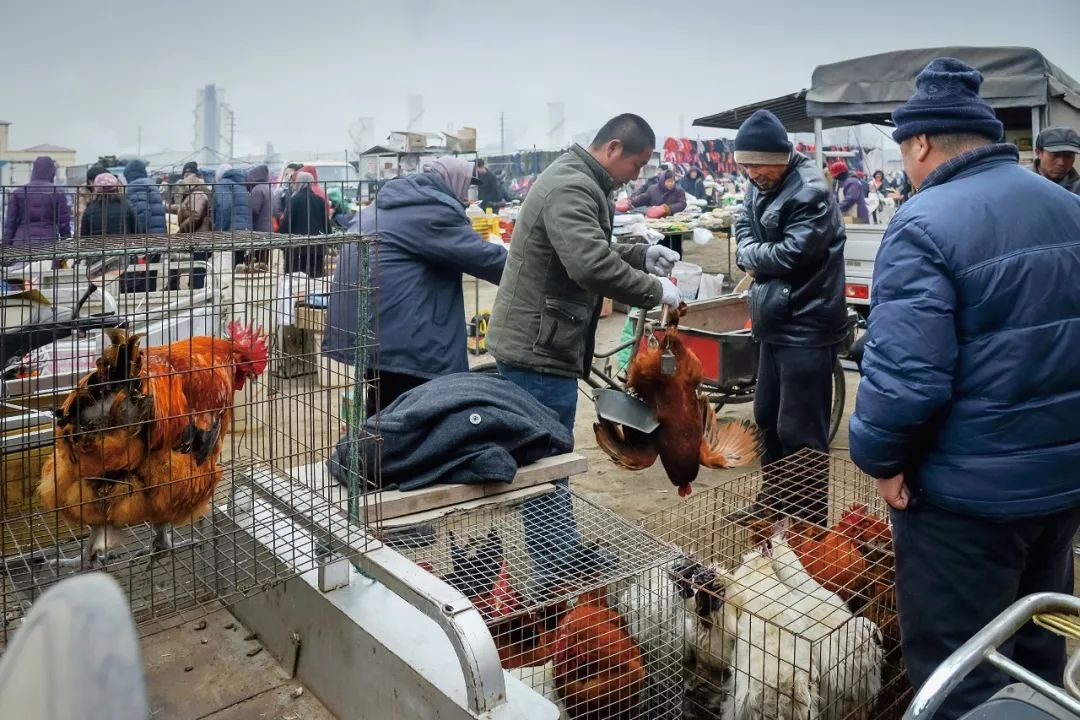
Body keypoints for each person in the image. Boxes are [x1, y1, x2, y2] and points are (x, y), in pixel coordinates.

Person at [848, 58, 1080, 719]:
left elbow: (907, 384)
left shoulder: (923, 223)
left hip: (965, 503)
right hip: (1059, 486)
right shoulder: (1068, 208)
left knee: (963, 674)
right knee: (1034, 654)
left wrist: (883, 461)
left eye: (903, 148)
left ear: (920, 142)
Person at [487, 114, 681, 596]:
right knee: (547, 461)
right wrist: (655, 289)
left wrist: (638, 256)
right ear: (613, 148)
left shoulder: (579, 180)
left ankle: (560, 557)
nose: (636, 177)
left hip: (544, 340)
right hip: (538, 348)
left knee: (547, 459)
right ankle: (555, 577)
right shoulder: (573, 185)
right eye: (635, 165)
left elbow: (592, 245)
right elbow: (589, 263)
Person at [324, 156, 507, 419]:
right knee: (412, 421)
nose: (468, 198)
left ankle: (377, 456)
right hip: (400, 339)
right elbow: (485, 259)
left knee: (384, 414)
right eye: (466, 188)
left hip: (370, 331)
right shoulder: (431, 210)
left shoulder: (396, 201)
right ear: (451, 182)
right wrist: (530, 270)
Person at [732, 109, 847, 525]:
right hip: (773, 322)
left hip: (807, 324)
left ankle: (808, 524)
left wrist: (751, 257)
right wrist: (752, 254)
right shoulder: (758, 183)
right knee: (766, 419)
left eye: (756, 165)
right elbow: (741, 222)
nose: (750, 174)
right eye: (744, 165)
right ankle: (774, 503)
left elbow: (793, 254)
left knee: (801, 432)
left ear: (780, 157)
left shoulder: (810, 190)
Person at [2, 156, 72, 248]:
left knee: (20, 262)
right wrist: (67, 244)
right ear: (52, 171)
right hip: (48, 243)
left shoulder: (18, 192)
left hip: (21, 242)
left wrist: (5, 245)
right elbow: (64, 224)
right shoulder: (57, 192)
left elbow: (10, 224)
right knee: (46, 262)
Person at [281, 171, 330, 276]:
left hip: (298, 246)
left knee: (299, 279)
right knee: (317, 278)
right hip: (318, 245)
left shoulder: (294, 201)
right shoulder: (320, 200)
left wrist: (281, 237)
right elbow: (326, 223)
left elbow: (287, 223)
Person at [212, 164, 254, 265]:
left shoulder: (223, 184)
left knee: (227, 268)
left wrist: (220, 231)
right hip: (245, 231)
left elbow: (224, 206)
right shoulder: (240, 185)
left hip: (231, 232)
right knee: (240, 267)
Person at [80, 172, 135, 237]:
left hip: (97, 245)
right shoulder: (127, 205)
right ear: (116, 187)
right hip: (123, 245)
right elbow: (136, 230)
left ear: (96, 189)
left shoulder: (90, 209)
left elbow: (84, 235)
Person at [122, 160, 166, 235]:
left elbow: (142, 213)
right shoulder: (151, 184)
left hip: (148, 236)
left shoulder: (136, 186)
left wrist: (139, 234)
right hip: (159, 232)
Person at [1033, 126, 1080, 194]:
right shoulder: (1022, 180)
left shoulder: (1077, 188)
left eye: (1069, 155)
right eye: (1055, 155)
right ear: (1038, 153)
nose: (1062, 163)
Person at [74, 165, 108, 238]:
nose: (94, 183)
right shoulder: (83, 193)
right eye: (92, 181)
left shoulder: (113, 190)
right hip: (92, 231)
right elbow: (81, 216)